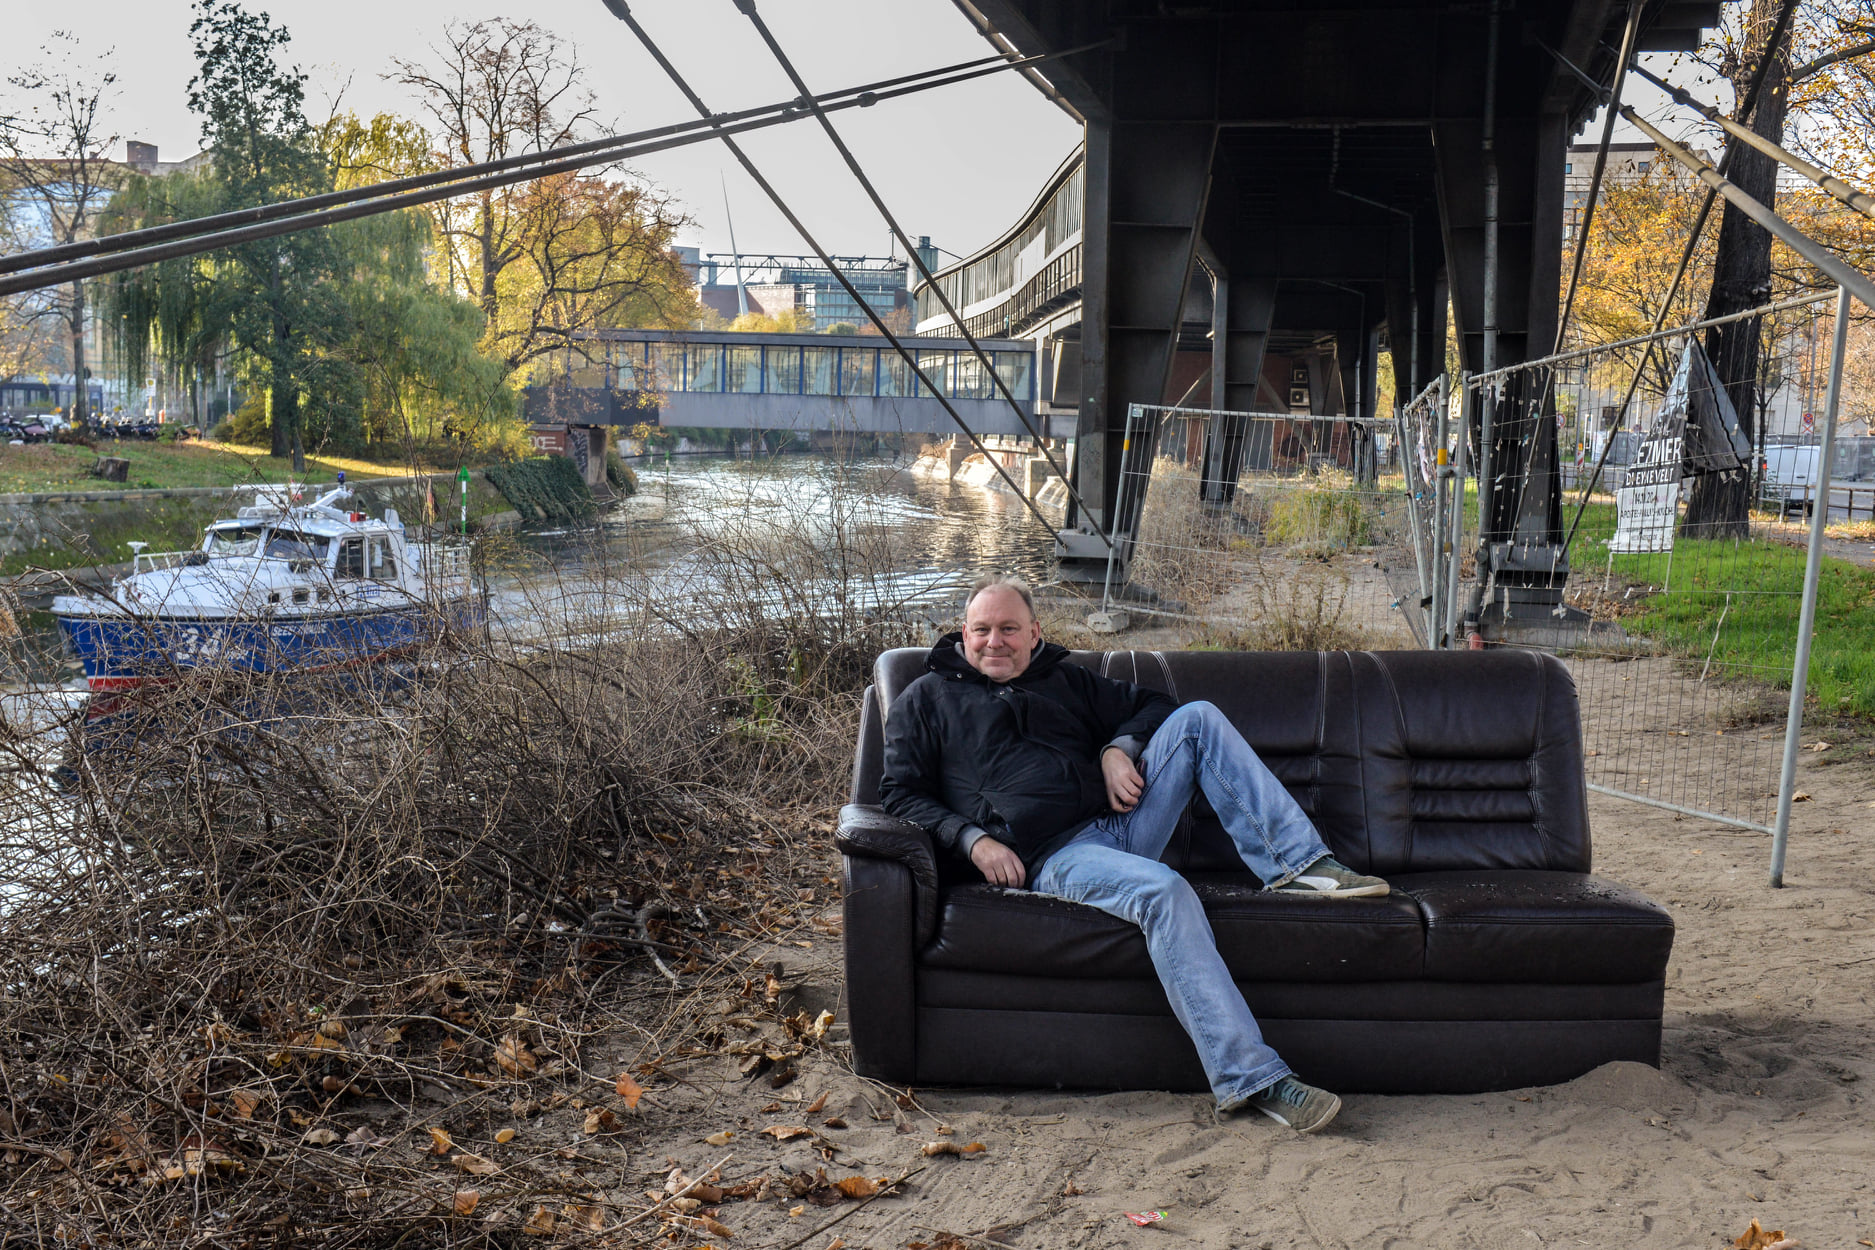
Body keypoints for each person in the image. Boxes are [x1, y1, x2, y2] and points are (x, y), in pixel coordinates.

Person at [878, 573, 1390, 1133]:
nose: (994, 642)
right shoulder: (926, 698)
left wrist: (1117, 749)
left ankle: (1298, 866)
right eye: (982, 630)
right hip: (1056, 857)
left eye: (1008, 629)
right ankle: (1252, 1079)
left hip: (1123, 822)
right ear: (964, 632)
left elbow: (1154, 705)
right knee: (1164, 890)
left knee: (1197, 719)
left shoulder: (1066, 681)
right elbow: (899, 795)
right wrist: (974, 841)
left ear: (1034, 634)